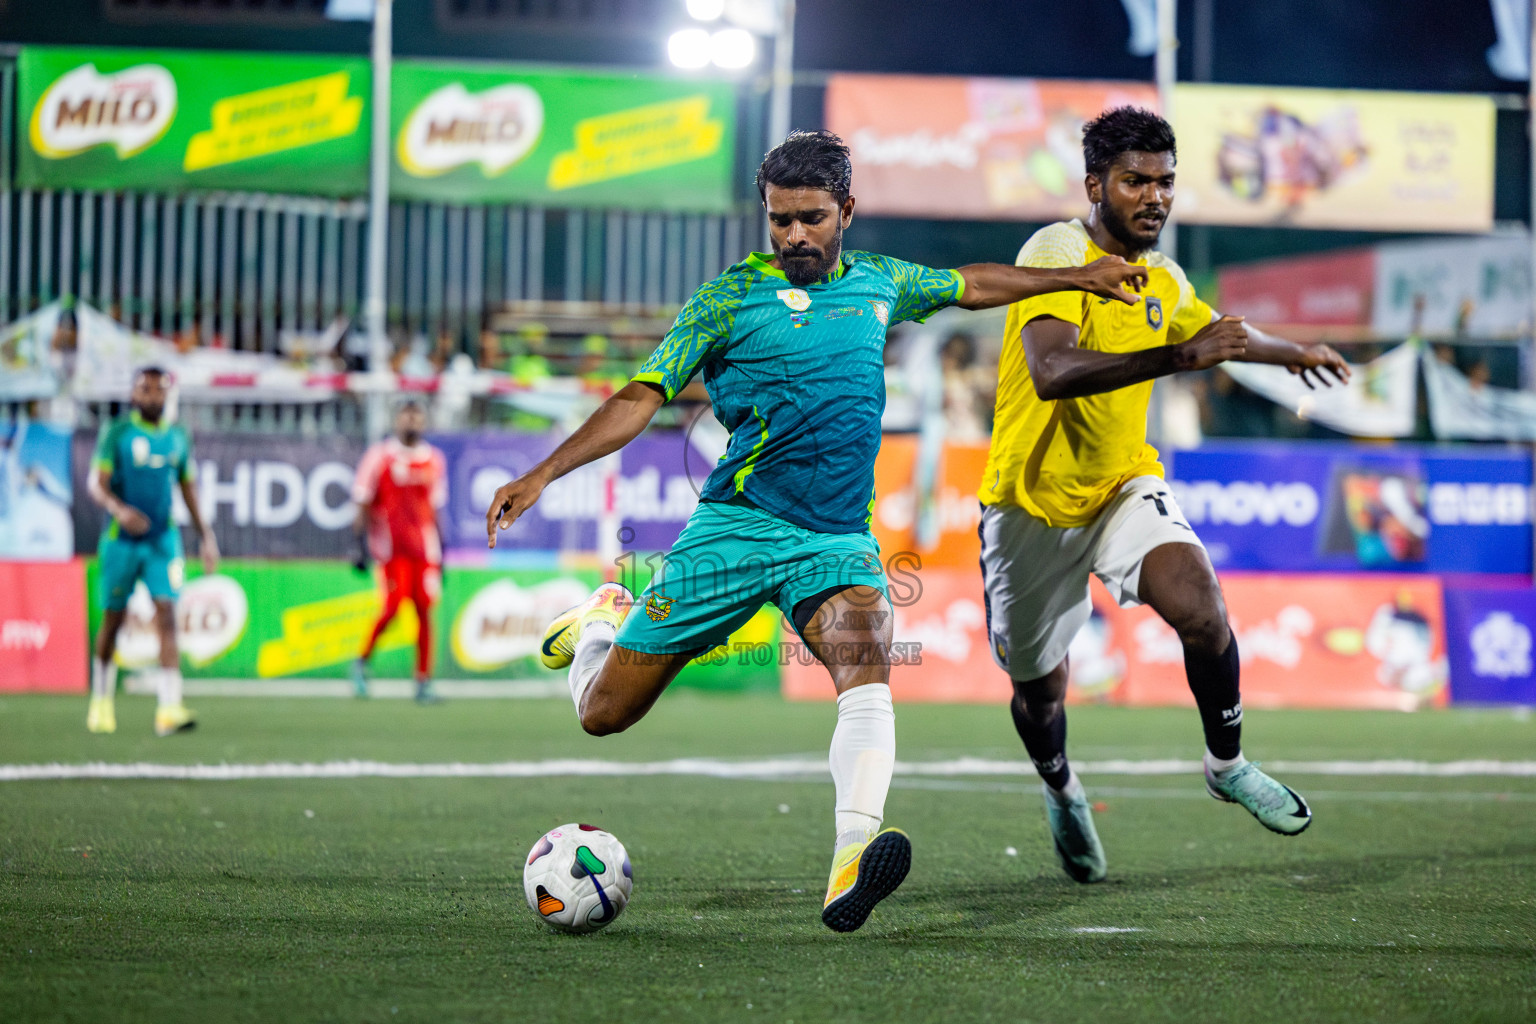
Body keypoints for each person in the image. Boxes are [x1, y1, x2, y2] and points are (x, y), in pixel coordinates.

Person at [485, 129, 1149, 933]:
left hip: (833, 542)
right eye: (779, 221)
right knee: (603, 714)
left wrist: (1077, 274)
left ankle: (848, 865)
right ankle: (598, 622)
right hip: (733, 530)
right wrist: (544, 471)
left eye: (810, 218)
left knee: (866, 669)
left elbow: (971, 284)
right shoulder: (727, 298)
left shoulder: (880, 282)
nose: (794, 236)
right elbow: (641, 394)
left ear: (847, 212)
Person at [977, 107, 1351, 883]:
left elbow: (1221, 334)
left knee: (1201, 605)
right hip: (1028, 507)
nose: (1154, 197)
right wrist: (1178, 355)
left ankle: (1227, 763)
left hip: (1120, 486)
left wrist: (1294, 355)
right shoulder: (1058, 251)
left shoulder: (1165, 276)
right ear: (1095, 185)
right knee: (1039, 696)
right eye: (1135, 181)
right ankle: (1062, 789)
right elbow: (1052, 371)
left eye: (1166, 182)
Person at [87, 367, 219, 736]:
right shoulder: (117, 433)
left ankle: (169, 708)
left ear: (169, 395)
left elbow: (188, 488)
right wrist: (120, 510)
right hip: (121, 541)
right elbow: (96, 485)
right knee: (113, 620)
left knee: (167, 614)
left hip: (163, 540)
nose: (152, 396)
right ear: (133, 395)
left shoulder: (179, 437)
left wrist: (205, 535)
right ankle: (100, 700)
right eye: (145, 389)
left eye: (159, 390)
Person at [351, 400, 448, 704]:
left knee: (424, 613)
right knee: (392, 608)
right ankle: (361, 661)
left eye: (417, 418)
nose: (412, 423)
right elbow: (363, 501)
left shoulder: (433, 459)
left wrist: (443, 552)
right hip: (391, 549)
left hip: (425, 551)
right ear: (396, 421)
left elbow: (436, 508)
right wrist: (358, 546)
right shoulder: (380, 456)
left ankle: (423, 680)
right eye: (407, 417)